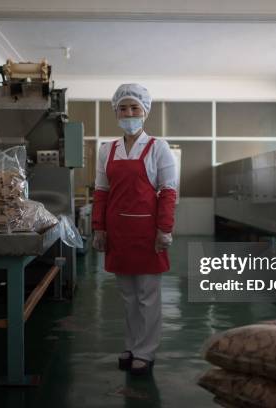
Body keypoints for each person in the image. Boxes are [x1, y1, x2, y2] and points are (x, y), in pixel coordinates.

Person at [91, 83, 178, 375]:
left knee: (147, 295)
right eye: (123, 108)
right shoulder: (107, 150)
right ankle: (131, 345)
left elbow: (168, 191)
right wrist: (98, 228)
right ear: (116, 112)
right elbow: (101, 192)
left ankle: (146, 351)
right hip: (118, 231)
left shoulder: (158, 148)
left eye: (134, 108)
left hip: (147, 232)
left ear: (145, 111)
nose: (129, 113)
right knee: (127, 296)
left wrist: (164, 229)